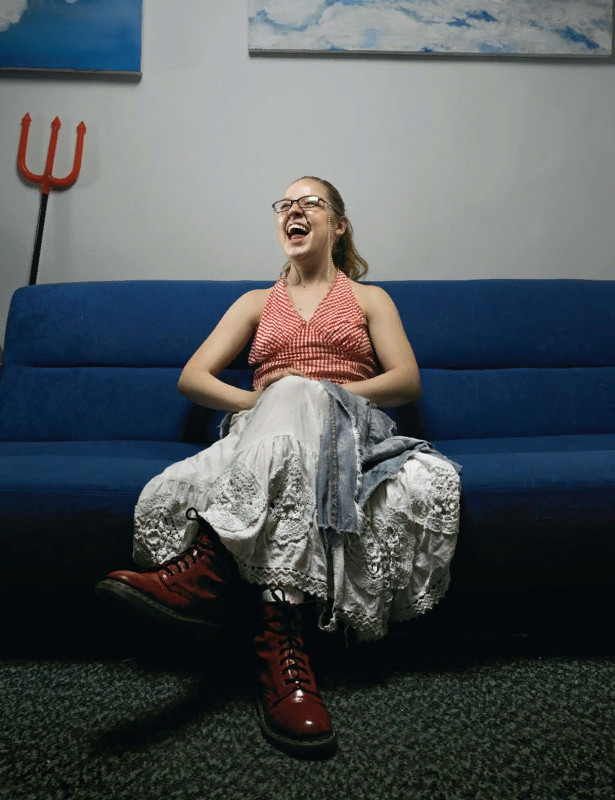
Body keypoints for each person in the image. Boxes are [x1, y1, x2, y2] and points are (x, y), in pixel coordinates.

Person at [96, 176, 460, 758]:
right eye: (285, 204)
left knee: (300, 391)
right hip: (265, 434)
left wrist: (320, 391)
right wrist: (263, 400)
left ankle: (208, 569)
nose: (295, 209)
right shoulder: (255, 303)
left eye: (310, 202)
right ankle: (279, 644)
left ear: (338, 225)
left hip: (348, 429)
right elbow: (193, 377)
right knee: (276, 405)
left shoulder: (370, 299)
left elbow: (405, 380)